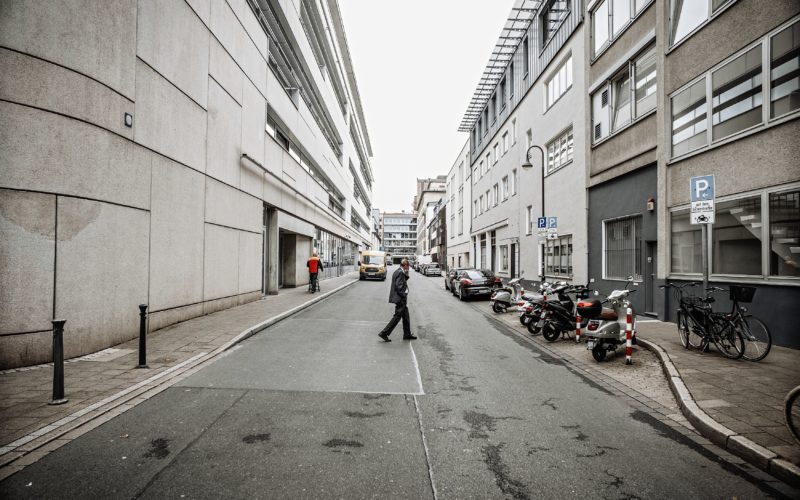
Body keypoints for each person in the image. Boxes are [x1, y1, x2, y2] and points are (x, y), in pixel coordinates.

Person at [378, 259, 417, 342]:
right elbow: (399, 286)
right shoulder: (400, 272)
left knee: (406, 317)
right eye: (408, 265)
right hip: (400, 299)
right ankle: (384, 333)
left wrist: (406, 275)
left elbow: (401, 282)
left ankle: (407, 334)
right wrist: (404, 295)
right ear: (405, 265)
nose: (409, 267)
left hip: (400, 298)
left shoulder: (399, 271)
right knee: (397, 317)